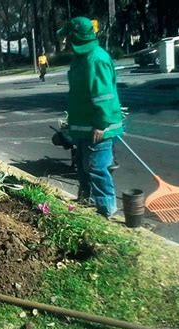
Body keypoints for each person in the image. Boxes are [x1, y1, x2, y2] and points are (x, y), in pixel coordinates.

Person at [57, 17, 123, 218]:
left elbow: (104, 96)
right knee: (84, 167)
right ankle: (86, 202)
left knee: (97, 169)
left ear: (74, 37)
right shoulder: (80, 59)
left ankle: (106, 210)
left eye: (65, 37)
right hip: (83, 126)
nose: (63, 42)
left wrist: (100, 125)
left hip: (97, 127)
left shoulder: (96, 59)